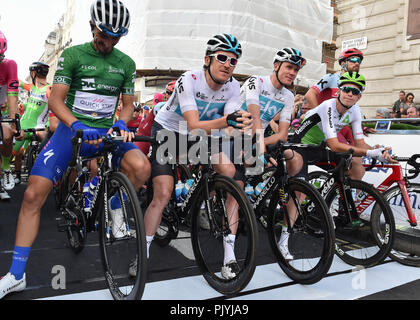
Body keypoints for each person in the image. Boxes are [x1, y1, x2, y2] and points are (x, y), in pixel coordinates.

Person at [0, 0, 151, 299]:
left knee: (142, 167)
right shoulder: (73, 55)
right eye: (103, 35)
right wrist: (77, 125)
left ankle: (114, 205)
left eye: (115, 37)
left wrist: (121, 123)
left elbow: (129, 106)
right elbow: (56, 101)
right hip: (72, 130)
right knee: (32, 194)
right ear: (92, 27)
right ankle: (16, 274)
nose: (108, 43)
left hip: (107, 132)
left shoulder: (126, 63)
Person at [136, 33, 252, 280]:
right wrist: (226, 122)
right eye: (222, 57)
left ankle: (229, 255)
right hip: (170, 131)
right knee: (164, 193)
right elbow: (194, 123)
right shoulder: (189, 80)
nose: (228, 64)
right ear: (207, 59)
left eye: (233, 61)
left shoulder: (233, 86)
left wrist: (242, 134)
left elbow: (229, 125)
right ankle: (141, 253)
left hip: (202, 136)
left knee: (231, 175)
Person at [290, 71, 396, 229]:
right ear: (339, 91)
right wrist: (369, 153)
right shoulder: (328, 106)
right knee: (300, 193)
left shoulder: (355, 111)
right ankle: (284, 237)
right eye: (346, 89)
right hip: (299, 146)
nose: (350, 94)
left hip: (317, 147)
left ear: (359, 97)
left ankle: (341, 210)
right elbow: (334, 145)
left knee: (356, 167)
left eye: (355, 92)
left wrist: (378, 150)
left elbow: (359, 143)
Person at [238, 47, 306, 176]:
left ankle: (290, 190)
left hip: (258, 139)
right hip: (235, 133)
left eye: (296, 70)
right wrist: (259, 145)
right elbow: (255, 117)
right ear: (276, 66)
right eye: (289, 67)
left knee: (296, 159)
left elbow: (283, 135)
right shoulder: (256, 81)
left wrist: (260, 143)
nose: (292, 73)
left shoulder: (288, 96)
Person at [13, 62, 51, 184]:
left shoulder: (49, 90)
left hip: (39, 129)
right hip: (23, 127)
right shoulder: (32, 87)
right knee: (15, 153)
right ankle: (17, 175)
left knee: (45, 148)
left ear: (33, 73)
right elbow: (18, 81)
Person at [0, 30, 20, 200]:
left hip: (1, 109)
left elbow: (12, 96)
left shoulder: (10, 65)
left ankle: (6, 168)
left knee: (7, 136)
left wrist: (15, 123)